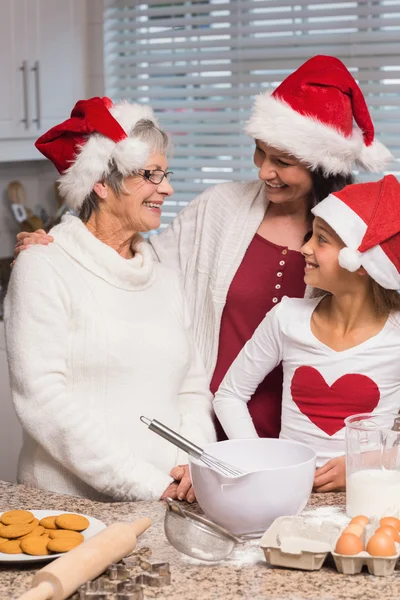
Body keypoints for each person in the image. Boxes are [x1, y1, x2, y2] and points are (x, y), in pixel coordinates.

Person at [13, 56, 393, 451]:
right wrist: (63, 246)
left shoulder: (356, 237)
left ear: (322, 166)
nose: (264, 170)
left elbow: (384, 341)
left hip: (313, 442)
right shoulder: (220, 208)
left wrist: (367, 457)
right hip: (210, 430)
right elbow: (139, 267)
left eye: (283, 162)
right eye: (260, 152)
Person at [5, 97, 216, 503]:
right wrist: (149, 484)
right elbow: (43, 401)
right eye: (150, 175)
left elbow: (191, 388)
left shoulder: (164, 273)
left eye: (165, 173)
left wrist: (194, 462)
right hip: (70, 508)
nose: (167, 188)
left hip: (167, 500)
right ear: (101, 183)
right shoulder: (45, 266)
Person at [213, 175, 400, 492]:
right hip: (288, 493)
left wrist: (362, 464)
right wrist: (261, 461)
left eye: (322, 240)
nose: (305, 248)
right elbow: (229, 395)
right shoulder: (287, 318)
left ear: (362, 262)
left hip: (371, 494)